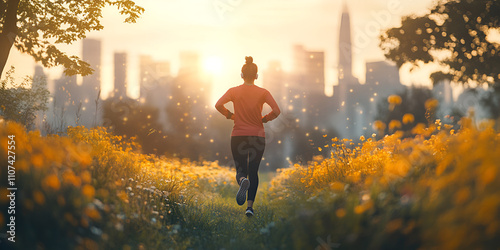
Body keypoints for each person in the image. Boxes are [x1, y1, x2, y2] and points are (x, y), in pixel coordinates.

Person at [215, 56, 281, 217]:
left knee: (241, 170)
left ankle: (242, 180)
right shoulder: (263, 92)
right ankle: (249, 207)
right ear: (256, 75)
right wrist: (264, 119)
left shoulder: (233, 91)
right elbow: (277, 111)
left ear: (241, 75)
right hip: (258, 137)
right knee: (254, 171)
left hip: (238, 135)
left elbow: (218, 105)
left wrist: (231, 116)